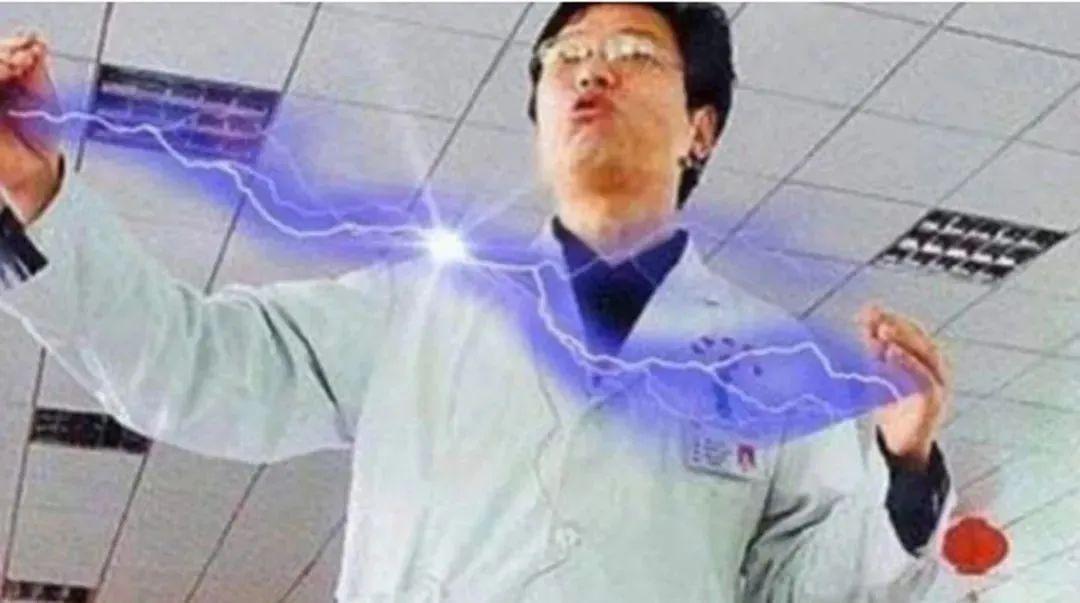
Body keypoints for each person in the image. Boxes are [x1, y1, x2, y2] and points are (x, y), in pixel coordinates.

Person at [0, 4, 955, 601]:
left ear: (699, 130)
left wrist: (904, 466)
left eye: (634, 52)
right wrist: (38, 190)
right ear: (540, 114)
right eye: (564, 54)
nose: (592, 69)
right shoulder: (415, 309)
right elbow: (190, 366)